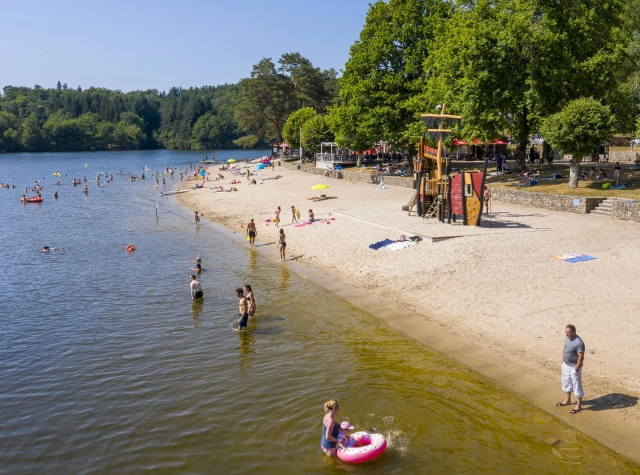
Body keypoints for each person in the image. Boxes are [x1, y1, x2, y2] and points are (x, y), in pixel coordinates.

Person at [557, 324, 585, 414]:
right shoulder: (567, 339)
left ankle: (578, 405)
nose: (566, 334)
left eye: (568, 332)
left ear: (574, 332)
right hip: (566, 365)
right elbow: (564, 350)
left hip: (574, 367)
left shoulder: (579, 342)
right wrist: (563, 361)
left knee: (577, 386)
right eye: (566, 332)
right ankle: (567, 400)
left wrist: (576, 368)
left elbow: (581, 357)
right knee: (566, 383)